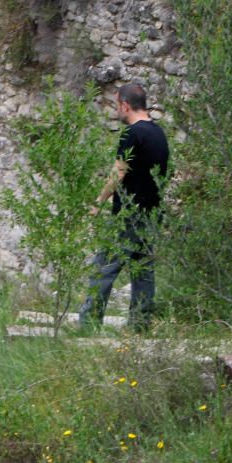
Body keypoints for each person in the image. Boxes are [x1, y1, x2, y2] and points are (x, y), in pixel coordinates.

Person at [79, 83, 169, 332]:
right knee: (143, 272)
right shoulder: (158, 133)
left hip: (127, 215)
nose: (116, 110)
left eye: (117, 105)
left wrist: (98, 203)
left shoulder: (132, 134)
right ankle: (139, 327)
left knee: (104, 269)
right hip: (151, 215)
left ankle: (88, 326)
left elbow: (118, 172)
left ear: (125, 105)